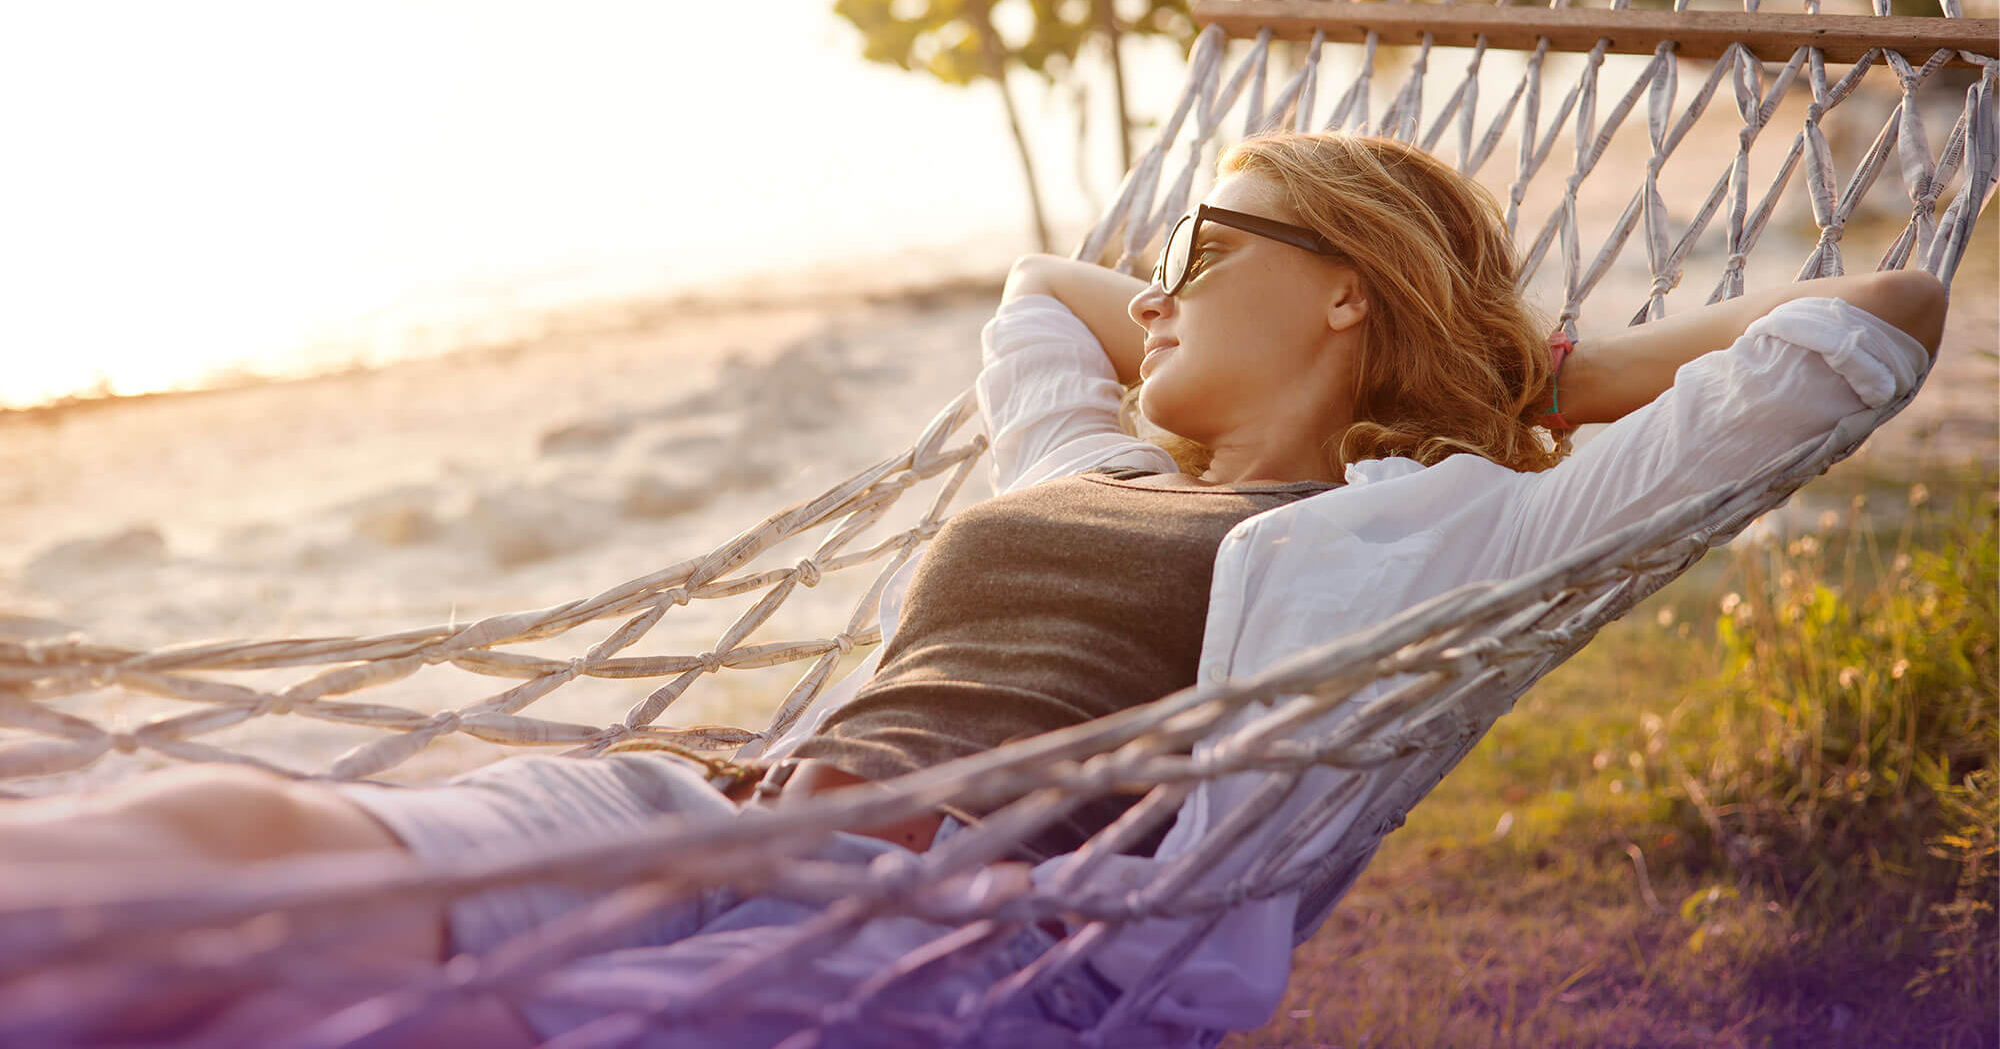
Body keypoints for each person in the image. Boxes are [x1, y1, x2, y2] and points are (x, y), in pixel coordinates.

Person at [0, 132, 1948, 1047]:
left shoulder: (1445, 541)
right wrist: (1227, 285)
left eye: (1202, 249)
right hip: (712, 809)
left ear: (1344, 289)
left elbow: (1873, 321)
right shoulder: (1079, 456)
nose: (1150, 292)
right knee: (217, 843)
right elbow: (1043, 294)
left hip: (951, 930)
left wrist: (1530, 374)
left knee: (365, 1015)